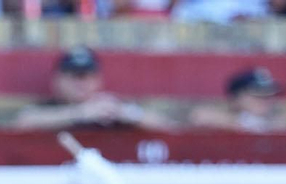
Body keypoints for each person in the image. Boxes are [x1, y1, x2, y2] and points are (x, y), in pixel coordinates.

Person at [10, 48, 173, 133]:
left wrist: (124, 112)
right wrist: (81, 113)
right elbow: (23, 121)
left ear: (98, 80)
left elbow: (169, 127)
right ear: (58, 80)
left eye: (86, 76)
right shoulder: (52, 107)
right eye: (74, 76)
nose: (80, 82)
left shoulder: (109, 108)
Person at [188, 67, 286, 133]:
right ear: (236, 98)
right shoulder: (224, 119)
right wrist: (248, 124)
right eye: (257, 94)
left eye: (269, 94)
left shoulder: (280, 117)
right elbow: (199, 116)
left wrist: (269, 124)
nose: (265, 99)